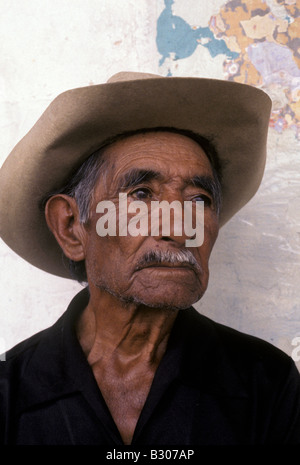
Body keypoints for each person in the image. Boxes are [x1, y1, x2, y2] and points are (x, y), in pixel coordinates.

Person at [0, 72, 299, 446]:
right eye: (141, 194)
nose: (179, 229)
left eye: (198, 200)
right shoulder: (9, 394)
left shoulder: (266, 383)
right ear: (71, 227)